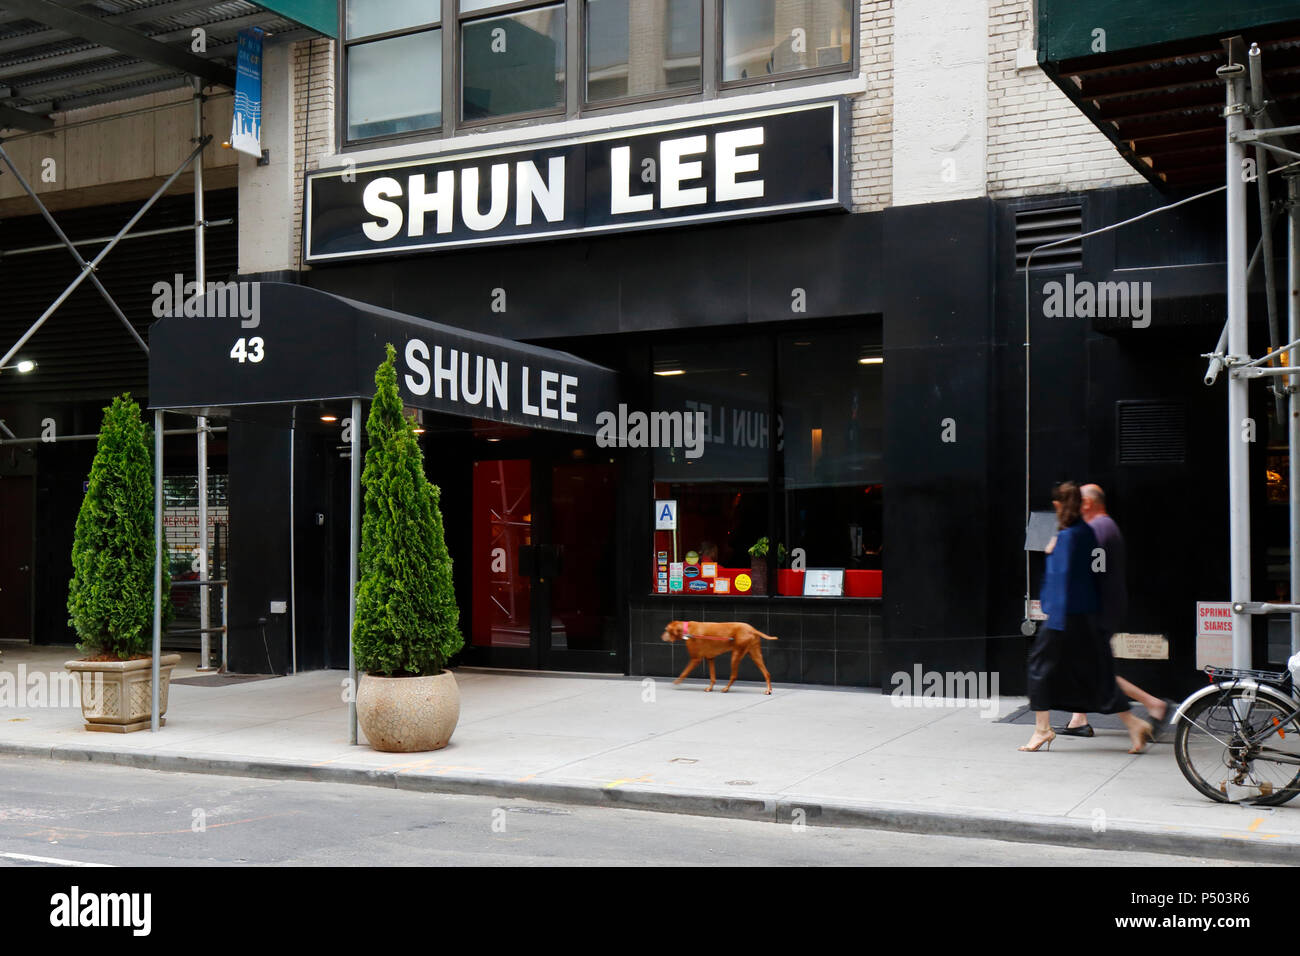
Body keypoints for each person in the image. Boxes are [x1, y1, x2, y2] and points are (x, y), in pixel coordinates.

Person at [1020, 481, 1153, 754]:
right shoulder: (1085, 533)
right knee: (1096, 674)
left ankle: (1042, 729)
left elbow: (1061, 581)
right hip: (1085, 615)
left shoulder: (1068, 537)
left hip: (1064, 617)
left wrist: (1052, 612)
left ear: (1059, 505)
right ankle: (1134, 724)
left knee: (1038, 666)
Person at [1058, 484, 1168, 738]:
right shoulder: (1103, 527)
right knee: (1084, 664)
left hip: (1096, 612)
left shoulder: (1098, 528)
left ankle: (1153, 705)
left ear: (1087, 504)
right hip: (1101, 609)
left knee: (1094, 668)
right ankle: (1078, 719)